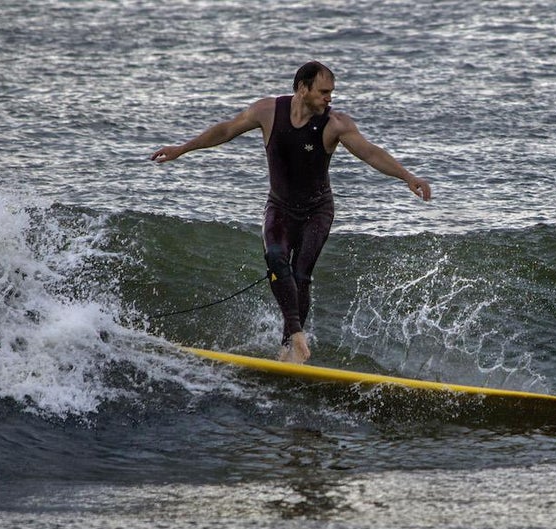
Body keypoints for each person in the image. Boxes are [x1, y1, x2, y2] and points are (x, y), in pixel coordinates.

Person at [151, 61, 431, 364]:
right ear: (302, 88)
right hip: (280, 207)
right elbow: (227, 129)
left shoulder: (335, 124)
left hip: (317, 211)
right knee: (275, 258)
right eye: (323, 92)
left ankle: (289, 346)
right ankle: (296, 336)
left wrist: (407, 176)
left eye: (331, 93)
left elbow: (370, 152)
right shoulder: (268, 111)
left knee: (301, 274)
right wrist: (182, 148)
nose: (329, 98)